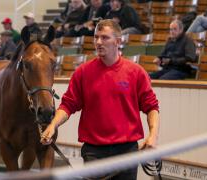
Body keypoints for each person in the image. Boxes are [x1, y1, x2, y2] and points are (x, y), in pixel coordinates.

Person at [41, 19, 159, 180]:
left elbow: (152, 107)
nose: (98, 42)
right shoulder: (82, 73)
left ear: (118, 41)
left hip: (127, 151)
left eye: (104, 38)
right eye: (96, 37)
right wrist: (53, 125)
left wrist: (153, 136)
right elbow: (68, 105)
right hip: (93, 152)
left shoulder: (136, 72)